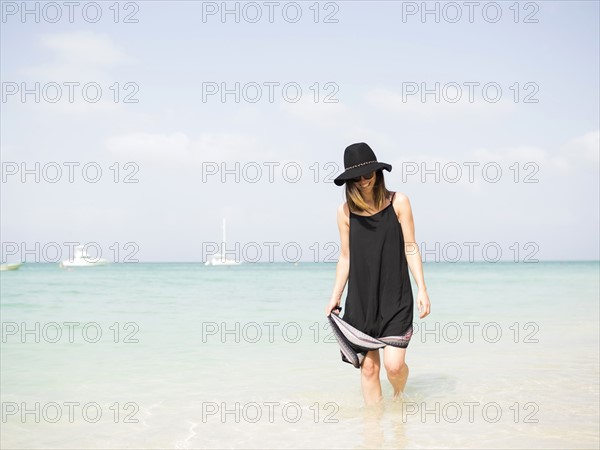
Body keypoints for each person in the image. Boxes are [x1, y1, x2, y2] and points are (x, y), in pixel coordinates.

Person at [325, 142, 431, 405]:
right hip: (361, 299)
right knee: (369, 368)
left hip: (395, 296)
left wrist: (422, 289)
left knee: (394, 367)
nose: (363, 181)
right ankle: (373, 433)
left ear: (378, 173)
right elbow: (345, 257)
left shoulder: (399, 202)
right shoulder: (345, 212)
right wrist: (335, 296)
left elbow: (411, 246)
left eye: (367, 175)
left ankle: (399, 397)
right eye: (356, 177)